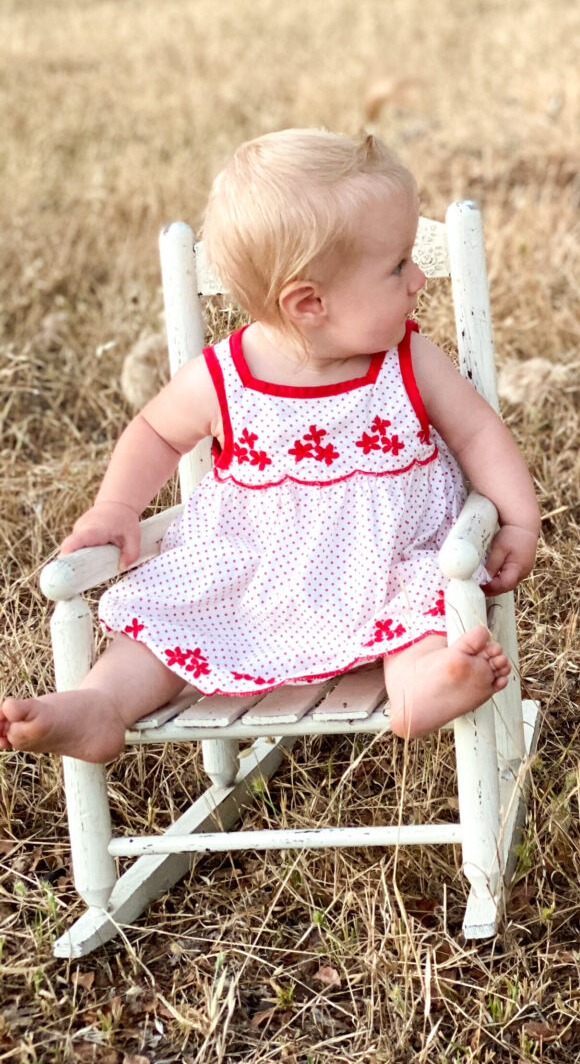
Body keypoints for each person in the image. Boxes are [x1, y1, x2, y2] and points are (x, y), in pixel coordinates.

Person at [1, 129, 540, 761]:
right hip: (253, 573)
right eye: (398, 265)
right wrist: (117, 507)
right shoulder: (221, 377)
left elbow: (477, 431)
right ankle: (100, 704)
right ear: (309, 302)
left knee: (425, 597)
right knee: (170, 615)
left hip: (386, 566)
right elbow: (154, 431)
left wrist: (518, 519)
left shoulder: (409, 361)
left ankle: (422, 682)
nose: (418, 279)